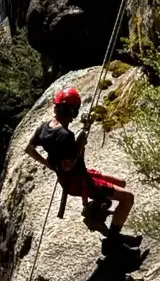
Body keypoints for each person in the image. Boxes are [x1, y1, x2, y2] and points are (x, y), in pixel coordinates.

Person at [25, 87, 142, 248]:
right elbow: (69, 165)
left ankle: (98, 210)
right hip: (79, 183)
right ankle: (110, 237)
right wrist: (79, 147)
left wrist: (50, 165)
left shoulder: (44, 127)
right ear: (72, 112)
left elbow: (29, 149)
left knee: (120, 183)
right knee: (128, 197)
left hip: (77, 177)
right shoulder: (66, 136)